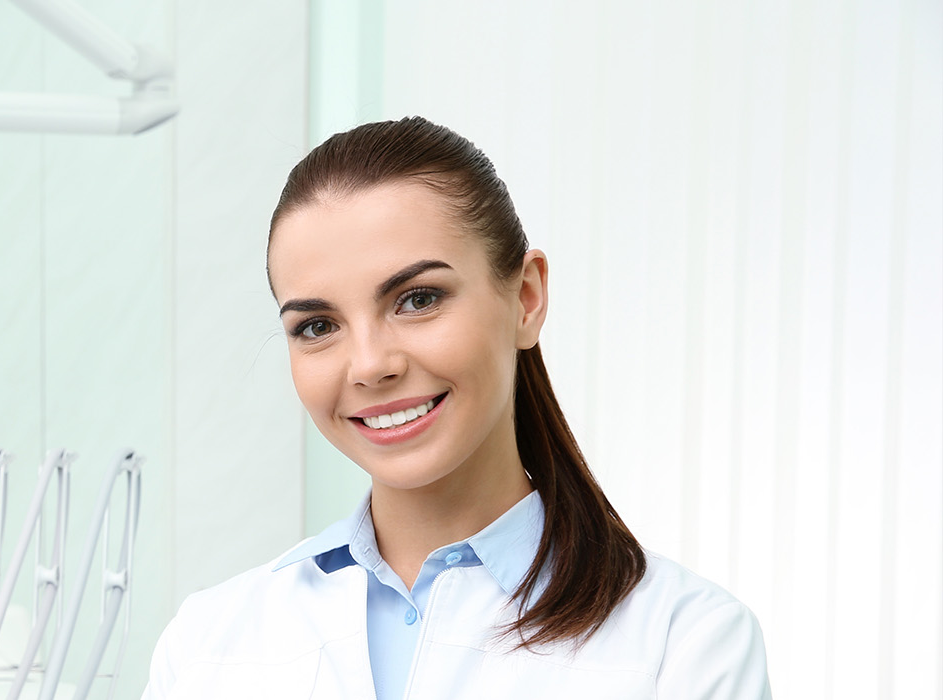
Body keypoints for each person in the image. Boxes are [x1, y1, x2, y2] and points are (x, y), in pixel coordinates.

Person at [139, 117, 770, 700]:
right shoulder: (206, 647)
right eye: (317, 326)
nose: (369, 364)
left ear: (525, 298)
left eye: (417, 299)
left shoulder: (685, 644)